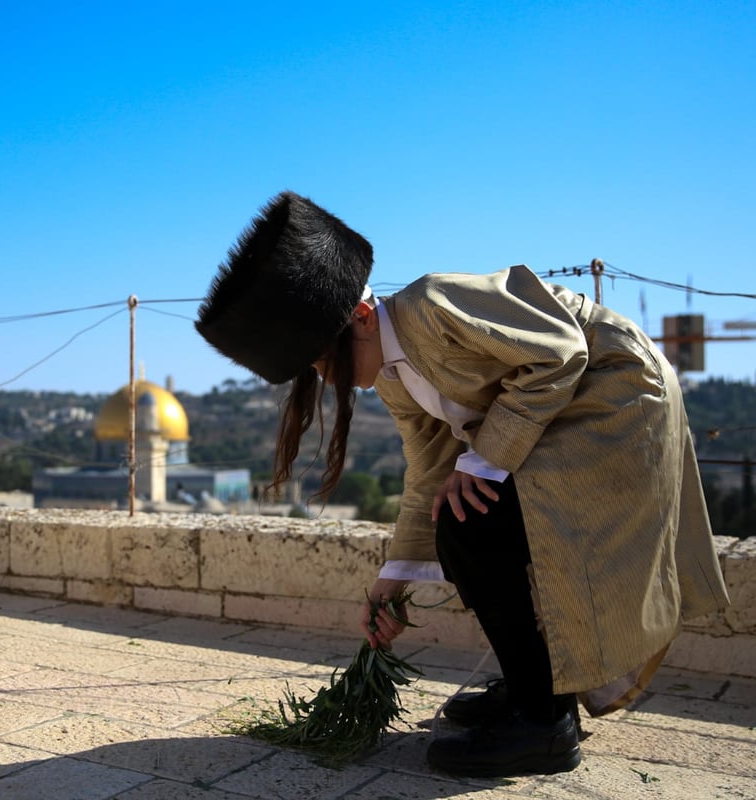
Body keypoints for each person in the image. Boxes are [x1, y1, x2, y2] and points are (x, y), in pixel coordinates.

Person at [195, 191, 730, 777]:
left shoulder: (432, 303)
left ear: (362, 317)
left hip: (614, 395)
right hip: (574, 406)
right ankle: (540, 693)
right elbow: (429, 469)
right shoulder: (394, 378)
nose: (329, 380)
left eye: (323, 363)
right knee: (463, 521)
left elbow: (560, 353)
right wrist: (392, 577)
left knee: (474, 522)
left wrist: (483, 462)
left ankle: (542, 724)